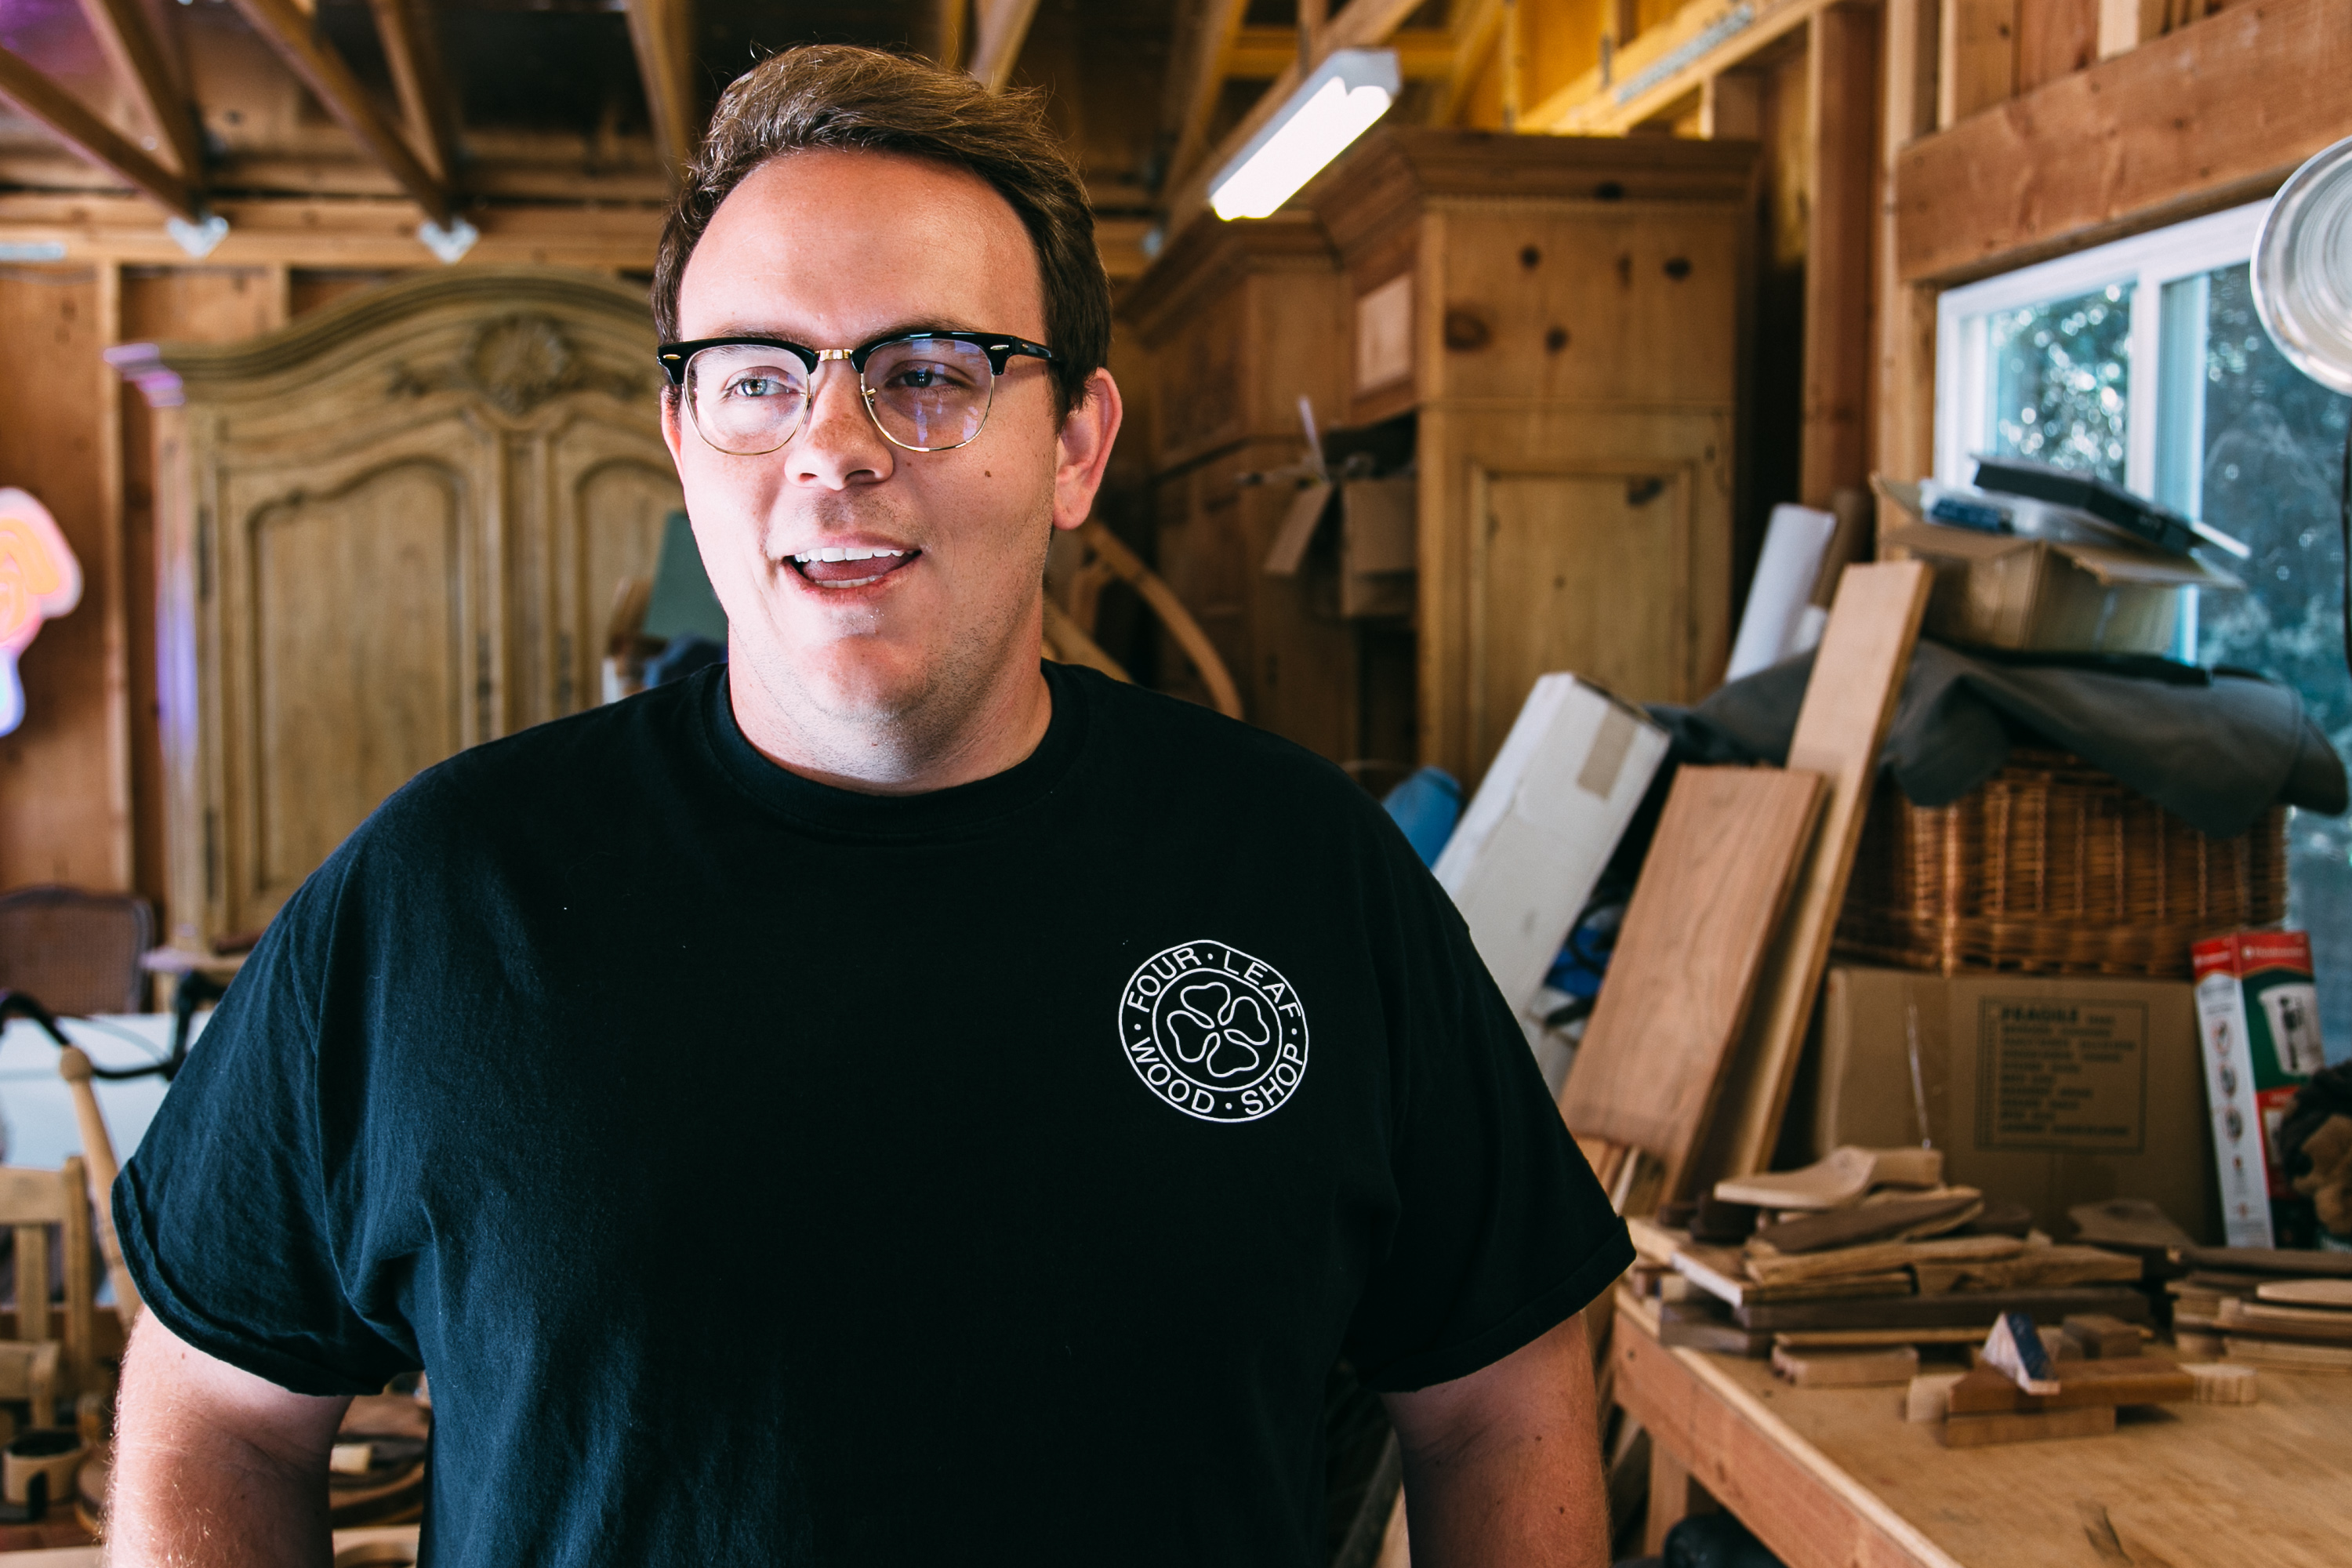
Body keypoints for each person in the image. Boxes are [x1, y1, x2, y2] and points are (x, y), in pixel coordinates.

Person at [107, 45, 1630, 1567]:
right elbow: (216, 1418)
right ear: (685, 441)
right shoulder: (439, 893)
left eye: (930, 372)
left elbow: (1498, 1402)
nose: (833, 449)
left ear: (1076, 447)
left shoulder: (1305, 872)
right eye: (758, 379)